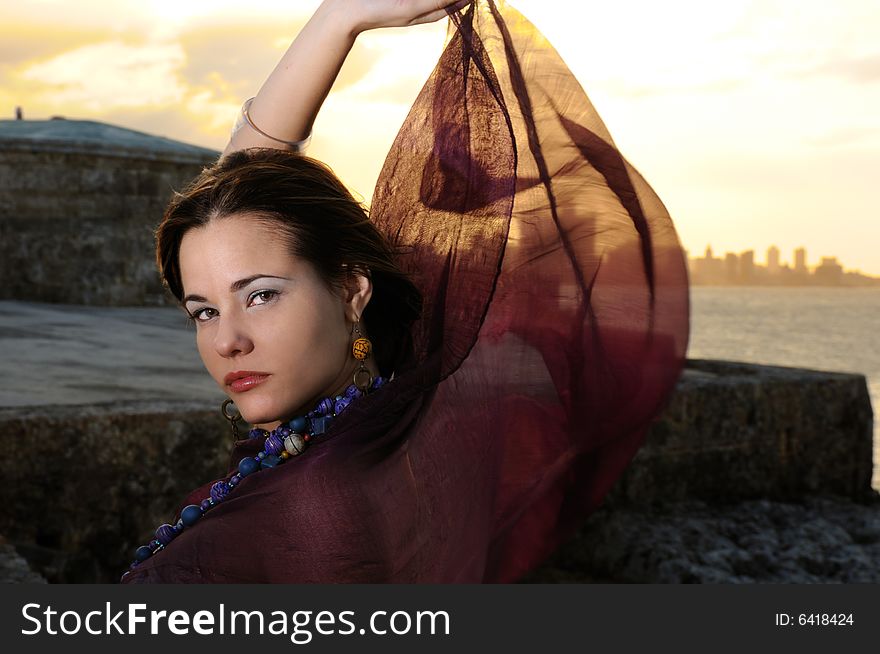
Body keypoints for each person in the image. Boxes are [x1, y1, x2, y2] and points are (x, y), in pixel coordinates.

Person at [120, 0, 690, 583]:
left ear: (351, 291)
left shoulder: (303, 513)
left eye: (261, 296)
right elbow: (242, 226)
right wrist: (339, 19)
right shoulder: (388, 417)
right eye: (204, 311)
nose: (227, 341)